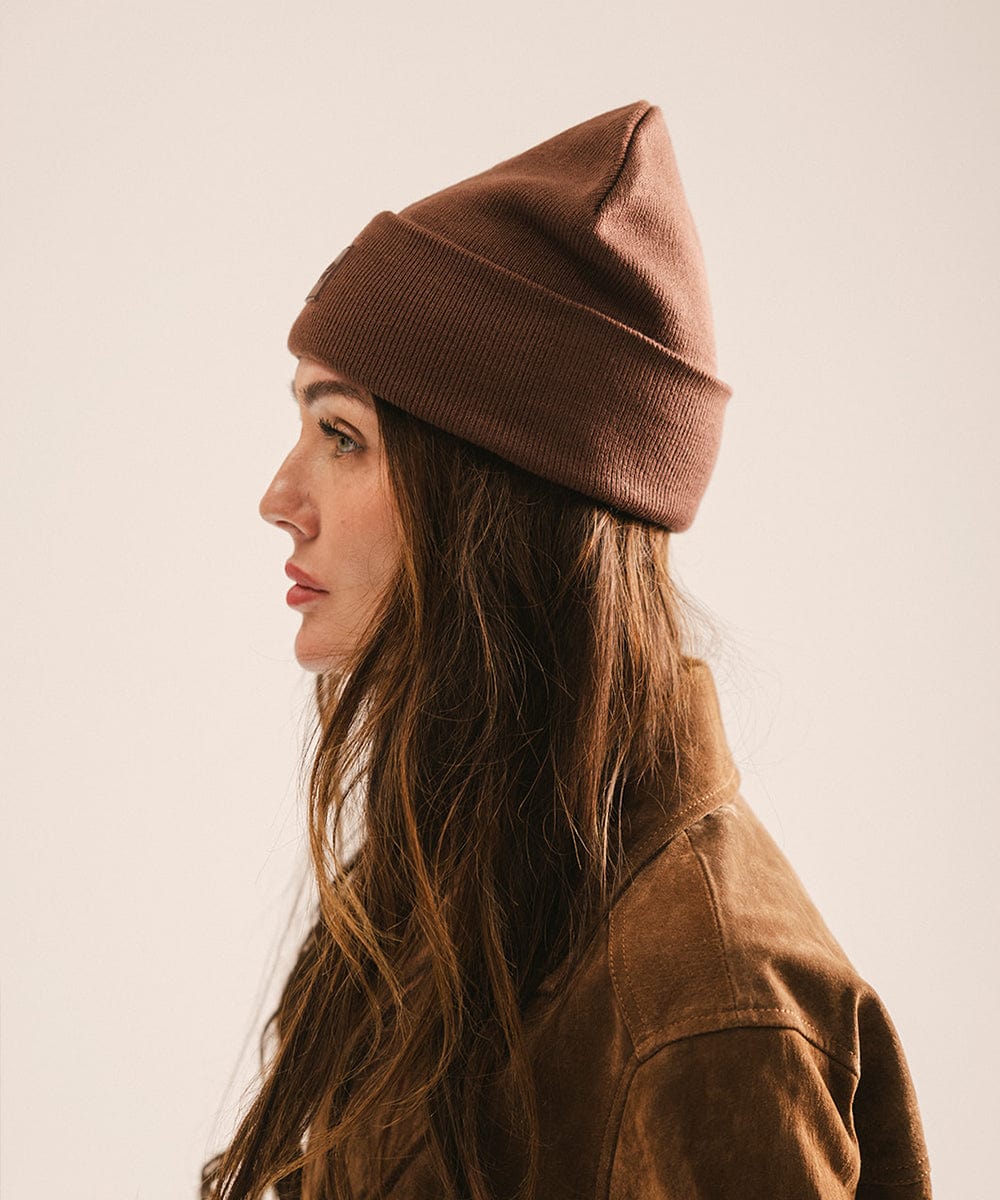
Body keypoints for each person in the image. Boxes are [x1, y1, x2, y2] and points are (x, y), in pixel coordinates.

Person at [202, 101, 932, 1199]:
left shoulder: (711, 1003)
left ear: (495, 501)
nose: (278, 498)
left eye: (342, 435)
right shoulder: (479, 884)